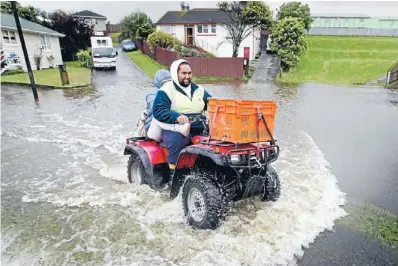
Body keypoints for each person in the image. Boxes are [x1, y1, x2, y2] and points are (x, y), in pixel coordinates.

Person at [152, 59, 212, 172]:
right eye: (184, 73)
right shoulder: (166, 90)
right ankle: (173, 174)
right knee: (177, 140)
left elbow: (212, 104)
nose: (187, 76)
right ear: (176, 73)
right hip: (175, 128)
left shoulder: (200, 90)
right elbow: (158, 110)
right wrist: (176, 117)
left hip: (199, 126)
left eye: (189, 73)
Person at [134, 69, 190, 140]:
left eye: (170, 82)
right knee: (159, 113)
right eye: (165, 83)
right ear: (159, 83)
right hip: (153, 129)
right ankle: (180, 129)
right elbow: (156, 109)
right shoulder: (153, 94)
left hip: (167, 125)